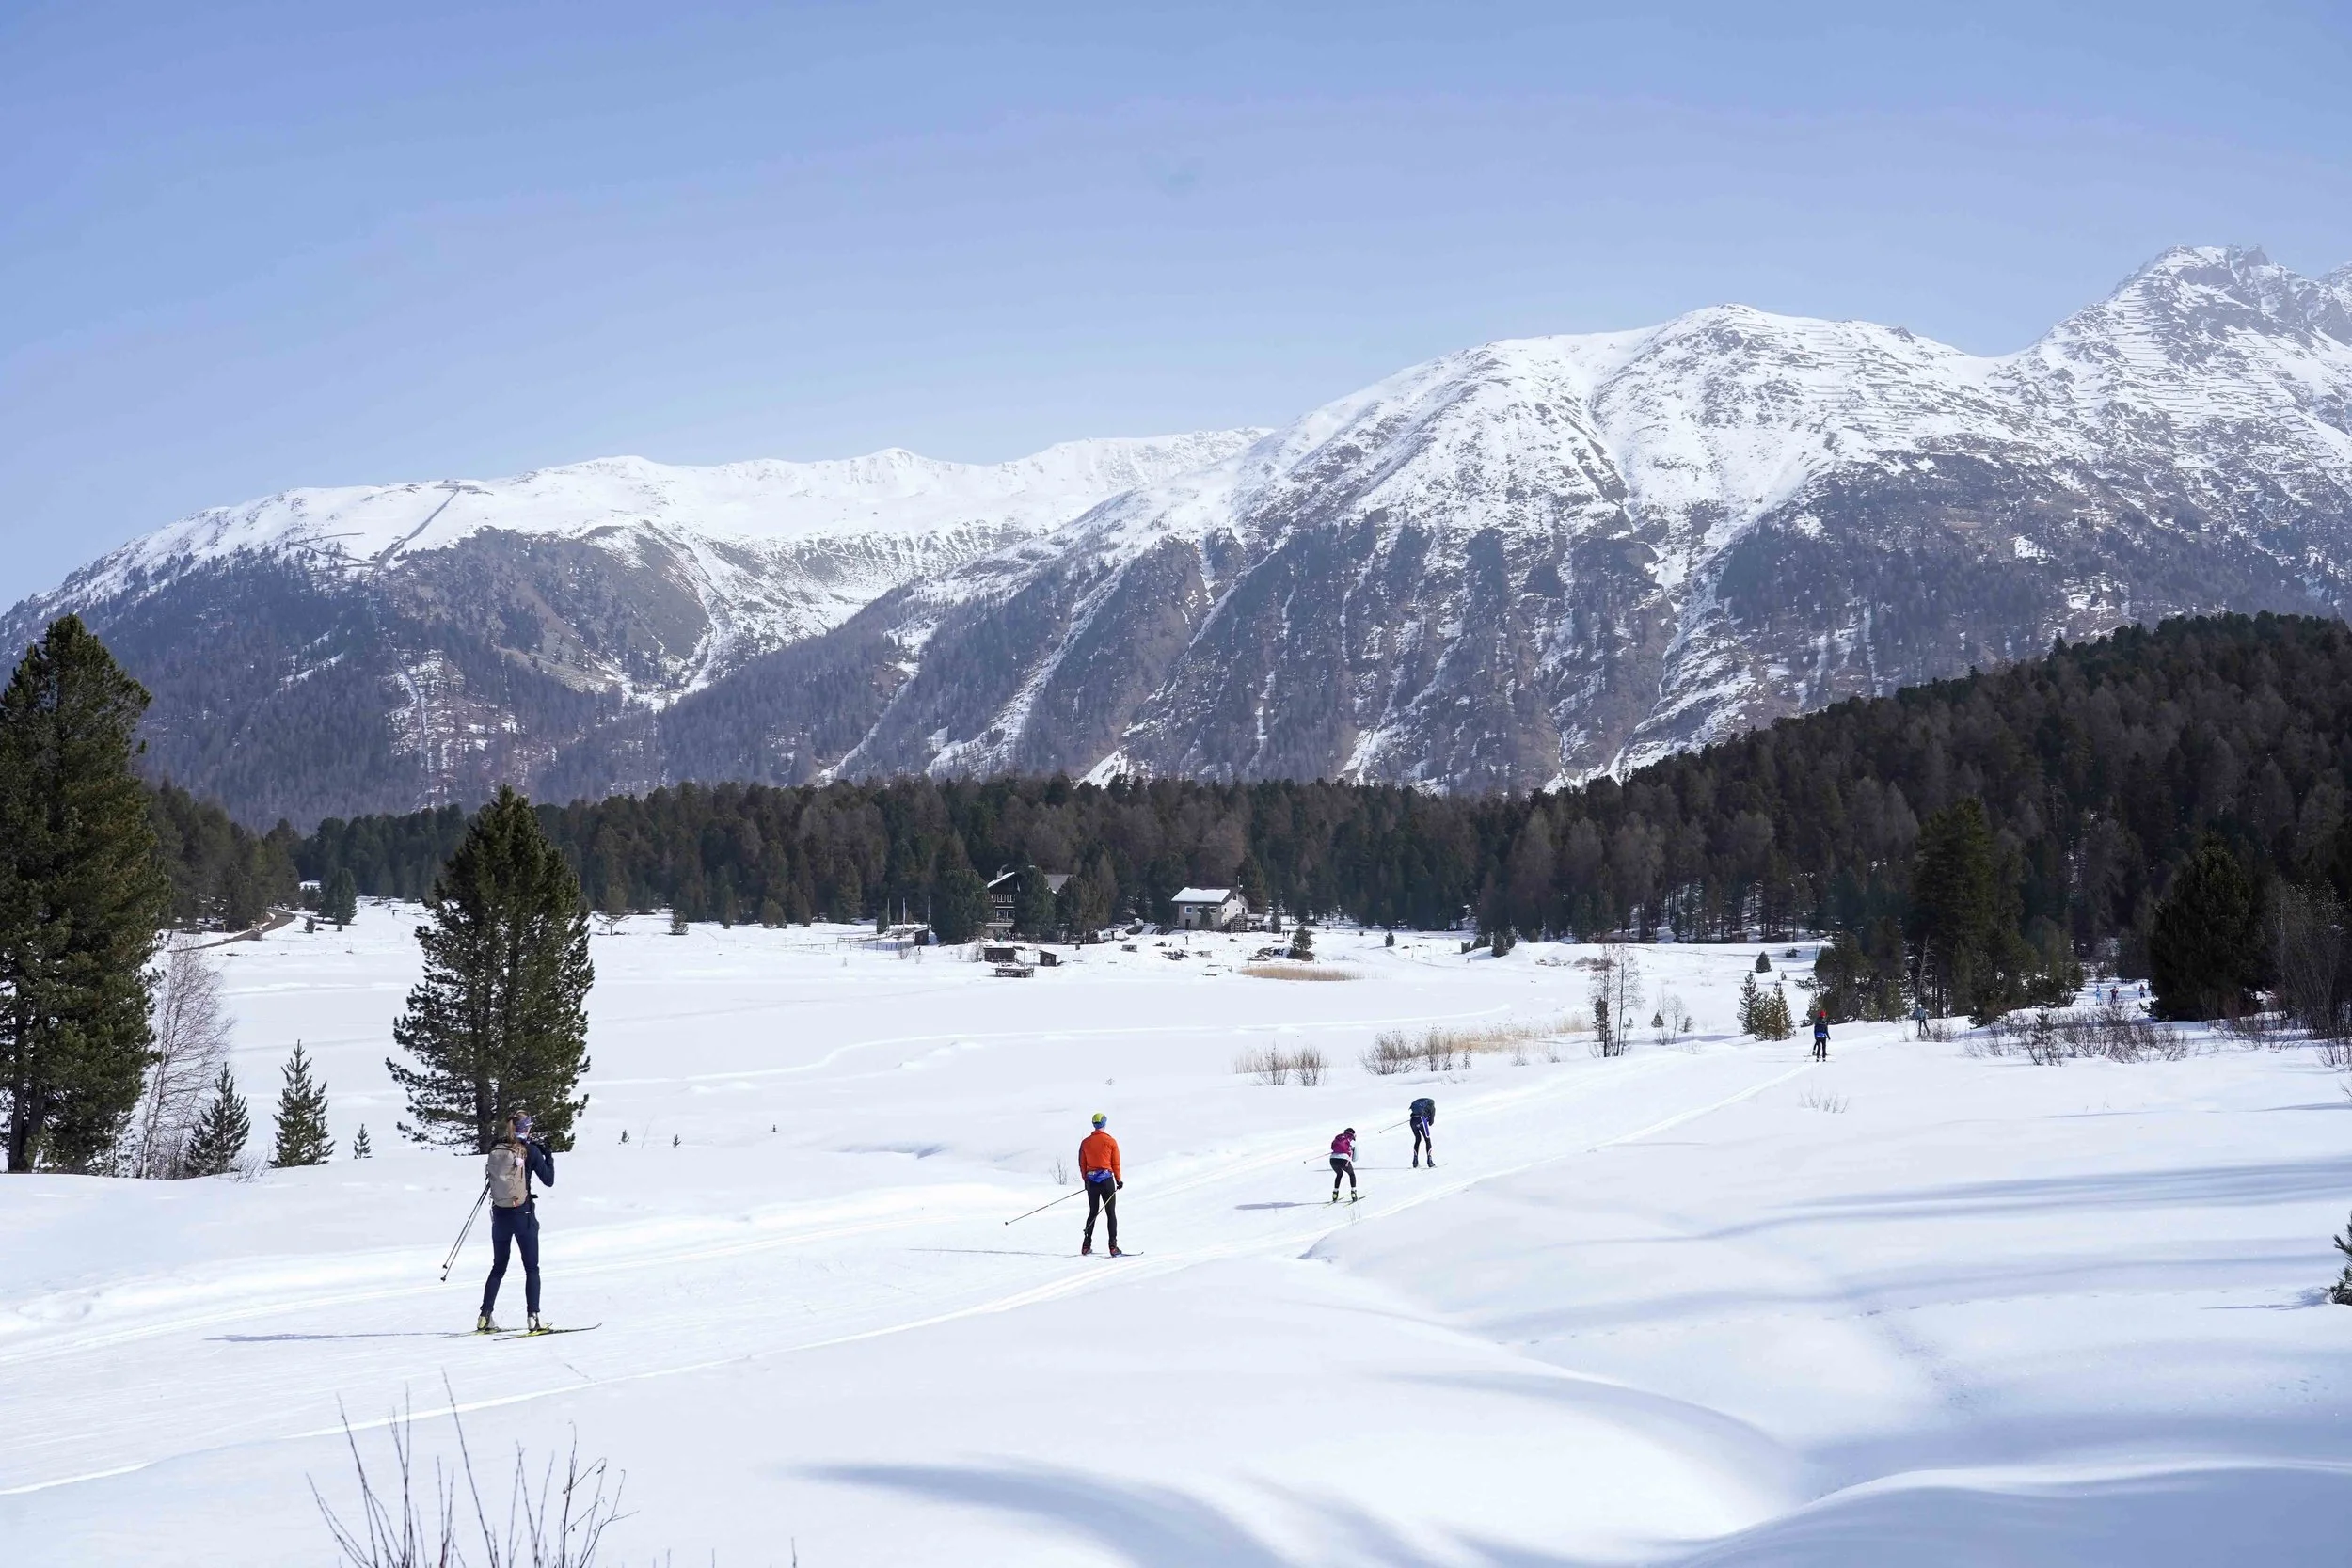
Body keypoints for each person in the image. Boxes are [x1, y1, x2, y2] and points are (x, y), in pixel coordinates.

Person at [478, 1111, 556, 1333]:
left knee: (498, 1267)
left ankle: (485, 1316)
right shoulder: (529, 1150)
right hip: (523, 1215)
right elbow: (549, 1180)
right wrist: (547, 1156)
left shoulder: (498, 1148)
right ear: (527, 1128)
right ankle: (534, 1318)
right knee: (531, 1268)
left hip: (500, 1215)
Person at [1078, 1112, 1122, 1257]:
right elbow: (1115, 1163)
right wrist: (1118, 1180)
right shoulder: (1110, 1142)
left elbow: (1082, 1163)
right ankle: (1113, 1247)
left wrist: (1086, 1179)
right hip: (1107, 1180)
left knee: (1093, 1212)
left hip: (1092, 1181)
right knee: (1111, 1213)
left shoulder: (1085, 1142)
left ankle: (1086, 1245)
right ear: (1104, 1124)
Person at [1329, 1126, 1358, 1201]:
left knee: (1339, 1174)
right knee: (1351, 1174)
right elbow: (1355, 1159)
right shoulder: (1352, 1140)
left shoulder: (1339, 1137)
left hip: (1332, 1160)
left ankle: (1335, 1194)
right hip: (1344, 1160)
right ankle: (1353, 1193)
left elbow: (1332, 1147)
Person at [1408, 1097, 1437, 1168]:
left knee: (1417, 1139)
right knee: (1427, 1140)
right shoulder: (1432, 1107)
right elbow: (1431, 1123)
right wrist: (1428, 1118)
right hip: (1421, 1120)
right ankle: (1429, 1161)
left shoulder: (1419, 1107)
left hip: (1412, 1121)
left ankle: (1415, 1162)